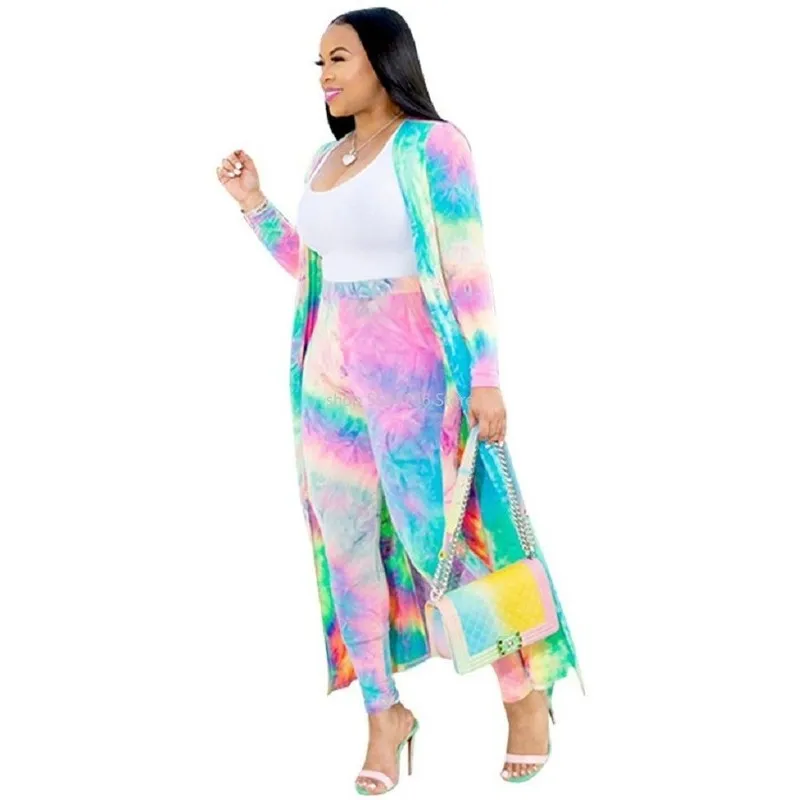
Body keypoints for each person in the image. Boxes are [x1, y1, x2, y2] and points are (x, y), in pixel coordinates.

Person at [217, 7, 582, 795]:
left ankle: (522, 689)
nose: (324, 75)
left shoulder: (432, 147)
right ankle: (384, 712)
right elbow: (315, 268)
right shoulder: (326, 158)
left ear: (385, 62)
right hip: (327, 372)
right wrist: (254, 204)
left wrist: (485, 378)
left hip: (411, 371)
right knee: (345, 544)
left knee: (438, 538)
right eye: (318, 63)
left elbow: (466, 266)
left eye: (338, 58)